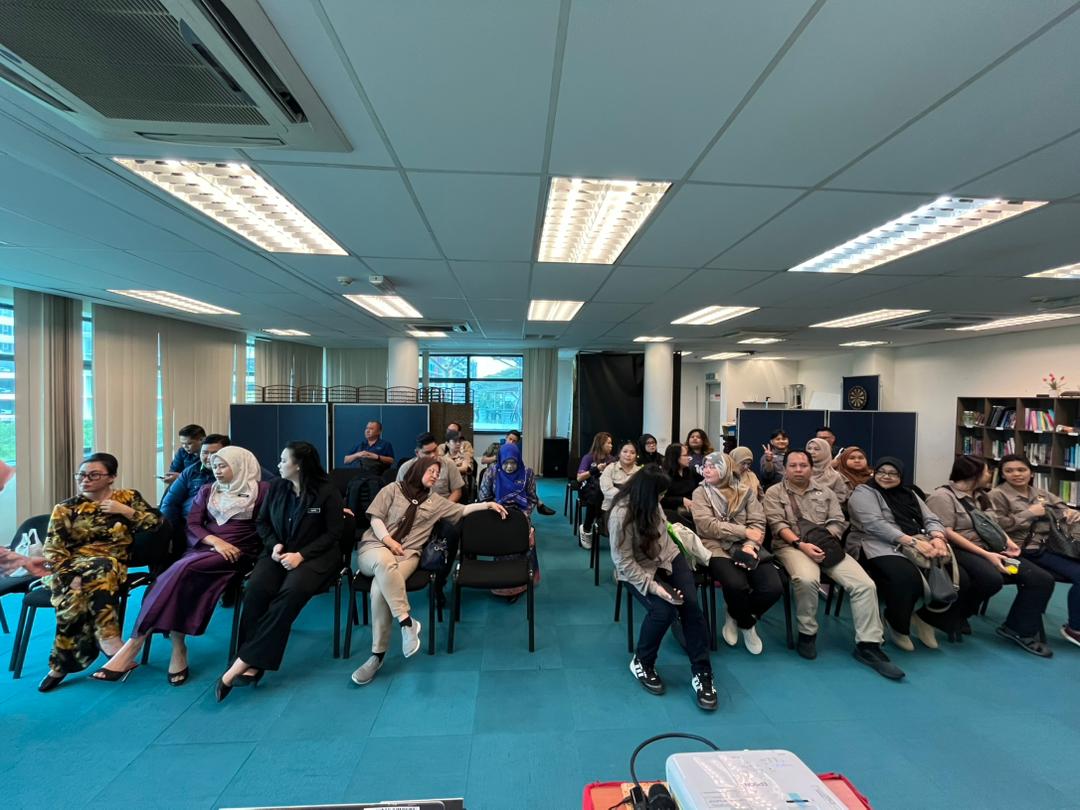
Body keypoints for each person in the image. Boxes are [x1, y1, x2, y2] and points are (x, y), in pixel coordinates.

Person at [93, 447, 269, 684]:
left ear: (240, 465)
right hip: (204, 547)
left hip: (238, 551)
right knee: (179, 577)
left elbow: (267, 525)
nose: (217, 471)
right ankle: (177, 647)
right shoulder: (208, 490)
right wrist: (215, 541)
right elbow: (193, 523)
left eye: (223, 466)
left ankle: (134, 645)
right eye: (215, 466)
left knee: (173, 574)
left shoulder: (263, 490)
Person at [350, 457, 508, 686]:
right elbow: (375, 518)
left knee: (378, 589)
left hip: (407, 555)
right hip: (375, 547)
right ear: (418, 470)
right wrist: (389, 541)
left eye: (437, 473)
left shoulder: (435, 501)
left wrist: (487, 504)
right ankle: (407, 623)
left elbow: (462, 510)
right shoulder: (392, 489)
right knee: (383, 563)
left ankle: (376, 656)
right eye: (431, 471)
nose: (435, 475)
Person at [216, 441, 344, 701]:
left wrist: (301, 556)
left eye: (284, 460)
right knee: (256, 590)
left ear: (299, 465)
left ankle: (243, 662)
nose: (278, 464)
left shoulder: (327, 491)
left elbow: (334, 533)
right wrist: (274, 545)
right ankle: (250, 658)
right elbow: (262, 522)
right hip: (278, 552)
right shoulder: (276, 487)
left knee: (289, 594)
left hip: (315, 557)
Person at [763, 450, 903, 679]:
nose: (798, 470)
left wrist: (824, 540)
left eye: (803, 465)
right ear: (785, 469)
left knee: (865, 585)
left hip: (827, 546)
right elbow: (777, 525)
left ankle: (868, 645)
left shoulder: (825, 492)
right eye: (793, 465)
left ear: (811, 468)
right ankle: (807, 633)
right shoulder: (774, 493)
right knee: (806, 579)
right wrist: (802, 545)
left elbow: (838, 520)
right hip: (791, 546)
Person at [36, 453, 163, 692]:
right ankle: (108, 637)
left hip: (112, 564)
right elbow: (53, 549)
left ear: (111, 477)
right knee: (76, 592)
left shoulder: (128, 498)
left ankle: (60, 665)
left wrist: (126, 511)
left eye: (93, 475)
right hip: (72, 568)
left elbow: (156, 525)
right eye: (81, 475)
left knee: (101, 566)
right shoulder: (65, 508)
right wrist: (68, 576)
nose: (85, 480)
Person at [609, 464, 717, 711]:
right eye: (660, 495)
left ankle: (702, 673)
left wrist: (667, 573)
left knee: (690, 606)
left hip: (668, 556)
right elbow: (623, 562)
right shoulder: (620, 515)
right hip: (636, 569)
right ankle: (642, 662)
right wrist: (655, 587)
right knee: (663, 610)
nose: (662, 499)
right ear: (648, 493)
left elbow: (664, 539)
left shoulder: (652, 503)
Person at [926, 455, 1056, 657]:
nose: (990, 475)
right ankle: (956, 614)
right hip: (959, 549)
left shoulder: (981, 495)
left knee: (1041, 579)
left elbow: (992, 525)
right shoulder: (942, 497)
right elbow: (947, 533)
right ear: (974, 473)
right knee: (991, 579)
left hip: (991, 548)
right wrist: (987, 555)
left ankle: (1017, 629)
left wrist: (1008, 542)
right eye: (987, 471)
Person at [847, 457, 969, 651]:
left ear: (901, 476)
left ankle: (926, 618)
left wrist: (938, 537)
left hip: (918, 541)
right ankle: (898, 624)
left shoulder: (909, 493)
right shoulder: (864, 492)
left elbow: (931, 518)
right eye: (881, 472)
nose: (886, 476)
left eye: (893, 473)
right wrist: (912, 542)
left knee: (960, 577)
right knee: (906, 578)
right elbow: (874, 525)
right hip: (875, 544)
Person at [691, 452, 782, 654]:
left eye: (713, 466)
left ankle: (735, 614)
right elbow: (707, 526)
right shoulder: (700, 493)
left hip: (747, 544)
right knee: (736, 585)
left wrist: (750, 544)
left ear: (725, 470)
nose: (706, 470)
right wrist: (743, 531)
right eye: (705, 466)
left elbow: (758, 521)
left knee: (773, 588)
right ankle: (748, 625)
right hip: (716, 546)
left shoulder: (745, 492)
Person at [988, 453, 1080, 648]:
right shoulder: (997, 495)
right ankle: (1075, 628)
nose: (1016, 474)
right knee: (1044, 579)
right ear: (1002, 474)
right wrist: (1029, 513)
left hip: (1047, 547)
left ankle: (1074, 626)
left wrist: (1070, 512)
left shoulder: (1040, 493)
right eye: (1009, 471)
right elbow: (995, 526)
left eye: (1021, 470)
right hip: (1016, 550)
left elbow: (1061, 507)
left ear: (1031, 473)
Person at [478, 441, 540, 598]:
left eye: (513, 463)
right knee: (502, 543)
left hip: (520, 515)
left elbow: (532, 498)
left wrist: (524, 515)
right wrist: (496, 510)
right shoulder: (492, 472)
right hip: (497, 514)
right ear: (500, 461)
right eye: (506, 463)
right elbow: (484, 498)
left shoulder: (527, 473)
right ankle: (501, 582)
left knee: (521, 541)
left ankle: (520, 582)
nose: (509, 467)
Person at [576, 432, 615, 549]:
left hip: (605, 490)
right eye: (608, 443)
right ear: (601, 444)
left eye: (611, 443)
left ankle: (603, 524)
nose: (611, 445)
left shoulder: (612, 459)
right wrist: (595, 470)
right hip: (588, 489)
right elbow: (579, 478)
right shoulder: (588, 458)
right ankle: (586, 528)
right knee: (595, 494)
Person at [600, 440, 642, 513]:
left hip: (633, 511)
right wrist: (630, 497)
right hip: (611, 509)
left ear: (636, 456)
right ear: (619, 454)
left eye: (632, 453)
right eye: (625, 451)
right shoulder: (610, 468)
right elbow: (607, 490)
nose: (628, 455)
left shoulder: (640, 472)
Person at [660, 443, 697, 526]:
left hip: (692, 510)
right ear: (675, 457)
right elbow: (661, 499)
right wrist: (681, 500)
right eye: (685, 455)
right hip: (671, 514)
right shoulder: (663, 476)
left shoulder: (690, 471)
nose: (689, 458)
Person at [806, 437, 850, 505]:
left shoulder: (835, 476)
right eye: (809, 449)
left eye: (816, 449)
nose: (811, 452)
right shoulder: (799, 472)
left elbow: (840, 498)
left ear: (825, 452)